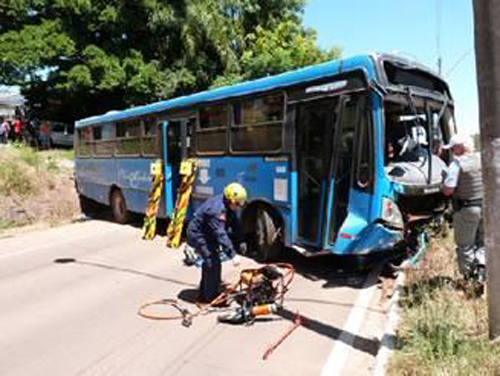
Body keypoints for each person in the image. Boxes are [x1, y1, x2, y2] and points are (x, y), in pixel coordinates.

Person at [186, 182, 247, 303]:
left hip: (209, 234)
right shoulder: (216, 210)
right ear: (230, 199)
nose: (239, 205)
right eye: (237, 203)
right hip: (198, 235)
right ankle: (211, 297)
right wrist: (232, 254)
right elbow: (220, 234)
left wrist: (241, 240)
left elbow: (235, 224)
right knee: (212, 262)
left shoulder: (228, 205)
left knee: (213, 262)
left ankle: (205, 292)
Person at [442, 134, 485, 290]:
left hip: (467, 209)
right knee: (482, 242)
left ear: (460, 147)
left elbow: (448, 190)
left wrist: (443, 183)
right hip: (487, 207)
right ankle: (481, 271)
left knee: (465, 245)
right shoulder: (482, 157)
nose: (452, 151)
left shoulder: (456, 165)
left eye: (453, 147)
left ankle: (469, 279)